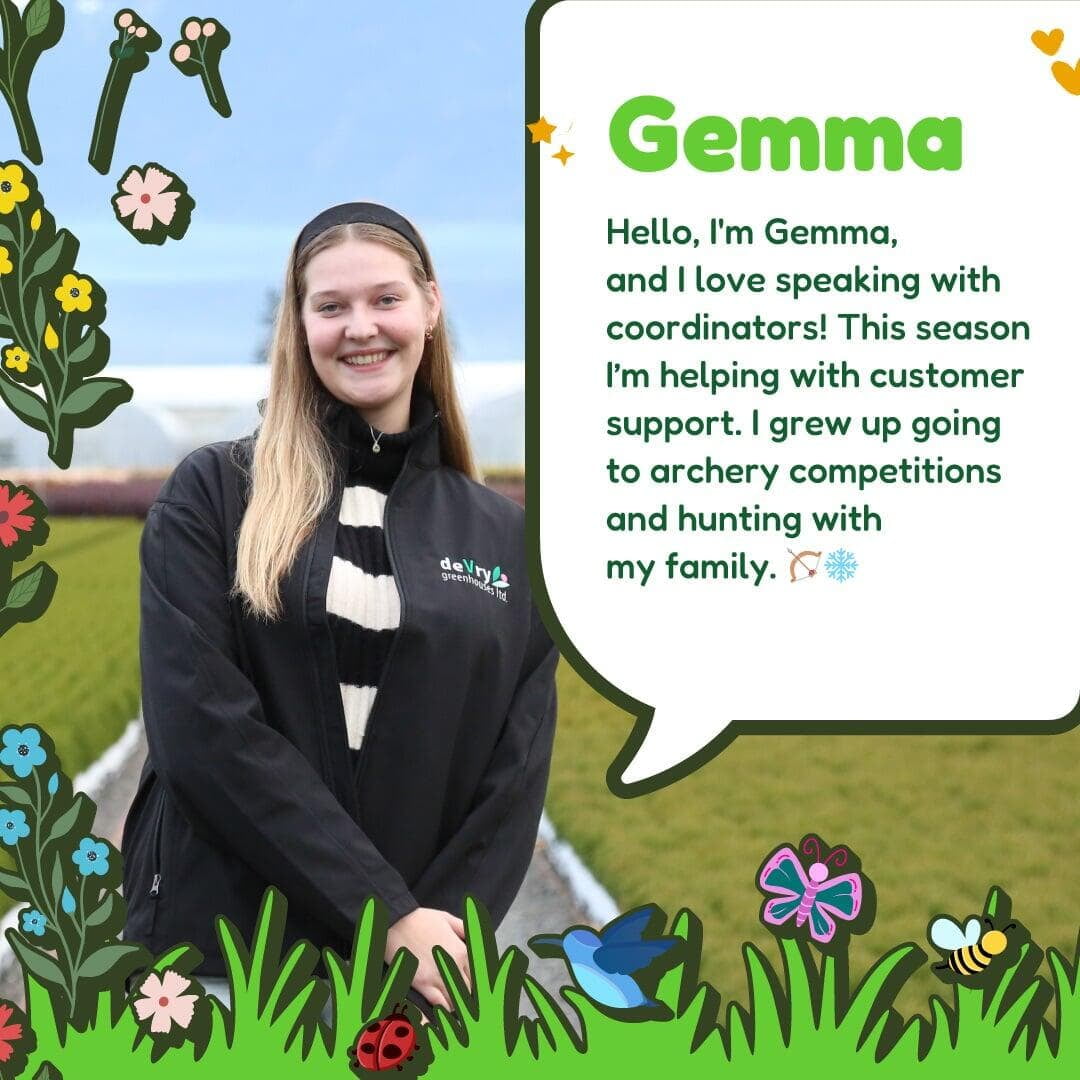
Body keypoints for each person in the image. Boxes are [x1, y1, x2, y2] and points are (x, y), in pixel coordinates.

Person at [121, 202, 558, 1012]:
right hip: (225, 962)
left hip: (407, 978)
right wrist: (382, 912)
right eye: (332, 306)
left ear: (431, 306)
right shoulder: (217, 496)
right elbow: (203, 730)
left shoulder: (504, 538)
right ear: (300, 324)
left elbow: (514, 770)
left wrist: (435, 940)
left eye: (386, 299)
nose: (362, 327)